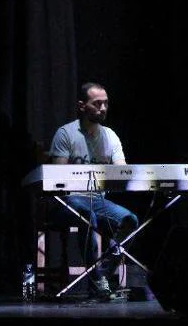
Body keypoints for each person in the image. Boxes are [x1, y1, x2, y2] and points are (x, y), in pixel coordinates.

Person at [46, 81, 138, 300]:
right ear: (82, 106)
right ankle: (97, 280)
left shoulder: (110, 136)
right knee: (88, 216)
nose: (103, 108)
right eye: (97, 104)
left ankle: (102, 271)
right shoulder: (66, 134)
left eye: (106, 103)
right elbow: (57, 178)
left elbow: (121, 172)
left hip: (97, 199)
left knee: (130, 221)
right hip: (68, 200)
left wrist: (120, 172)